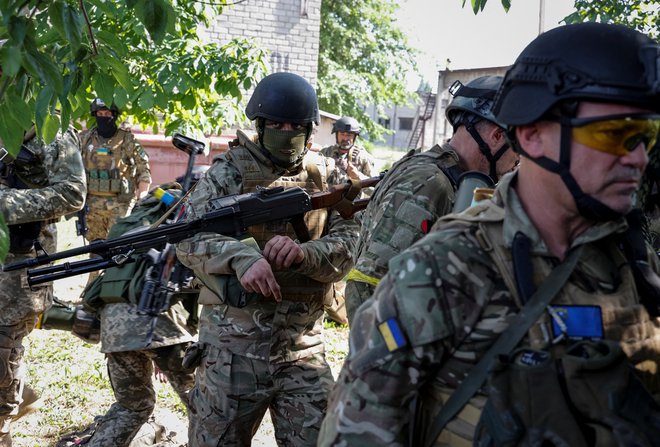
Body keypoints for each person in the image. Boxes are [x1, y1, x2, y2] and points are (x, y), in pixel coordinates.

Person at [319, 22, 660, 445]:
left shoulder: (634, 261)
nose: (638, 159)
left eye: (646, 137)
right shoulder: (442, 270)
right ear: (531, 135)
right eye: (613, 135)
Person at [175, 72, 358, 446]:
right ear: (260, 125)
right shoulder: (228, 172)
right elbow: (188, 239)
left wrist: (306, 254)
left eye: (295, 125)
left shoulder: (326, 174)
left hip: (303, 350)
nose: (286, 131)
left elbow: (352, 241)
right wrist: (241, 257)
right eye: (276, 123)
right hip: (232, 353)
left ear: (309, 130)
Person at [343, 75, 519, 324]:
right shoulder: (430, 181)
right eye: (518, 144)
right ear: (497, 136)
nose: (518, 159)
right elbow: (367, 286)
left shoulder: (451, 178)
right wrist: (394, 354)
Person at [65, 184, 197, 447]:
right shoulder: (187, 222)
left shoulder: (129, 225)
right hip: (163, 325)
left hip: (114, 328)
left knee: (132, 408)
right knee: (204, 405)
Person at [0, 127, 86, 446]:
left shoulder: (51, 129)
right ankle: (21, 397)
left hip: (19, 264)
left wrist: (7, 204)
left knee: (3, 345)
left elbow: (73, 194)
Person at [320, 116, 376, 325]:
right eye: (343, 133)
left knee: (349, 260)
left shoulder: (362, 157)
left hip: (352, 215)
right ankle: (330, 301)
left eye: (349, 134)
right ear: (336, 134)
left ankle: (344, 306)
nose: (346, 138)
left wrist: (357, 176)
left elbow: (374, 188)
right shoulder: (325, 154)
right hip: (327, 212)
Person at [80, 98, 151, 250]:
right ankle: (95, 275)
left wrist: (142, 195)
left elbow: (143, 169)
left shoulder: (127, 140)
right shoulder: (85, 139)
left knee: (118, 249)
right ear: (95, 114)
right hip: (93, 206)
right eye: (100, 113)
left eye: (107, 113)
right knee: (96, 250)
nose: (104, 117)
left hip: (120, 205)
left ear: (115, 115)